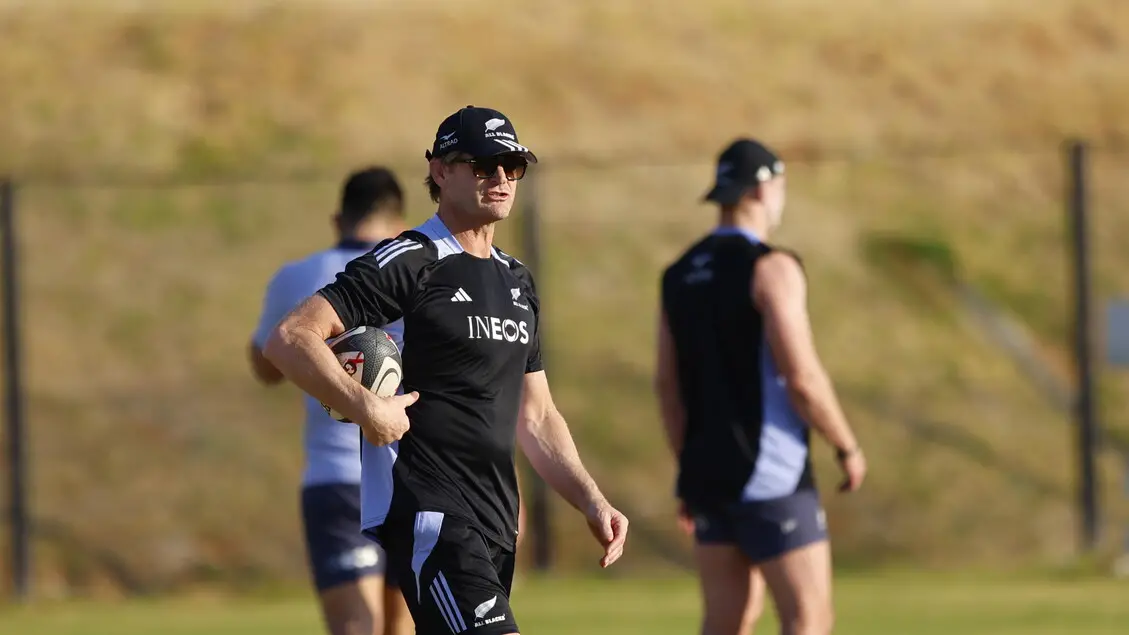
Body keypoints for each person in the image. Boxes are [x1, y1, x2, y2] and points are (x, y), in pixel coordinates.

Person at [262, 105, 629, 635]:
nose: (501, 178)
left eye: (512, 166)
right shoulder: (409, 260)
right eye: (483, 165)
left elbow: (538, 416)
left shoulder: (518, 282)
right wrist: (367, 409)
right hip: (431, 515)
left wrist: (592, 500)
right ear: (440, 171)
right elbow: (291, 337)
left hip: (496, 522)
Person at [655, 138, 867, 635]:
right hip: (772, 473)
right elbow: (803, 378)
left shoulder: (678, 274)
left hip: (708, 474)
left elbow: (667, 385)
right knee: (808, 617)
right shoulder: (772, 267)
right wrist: (847, 446)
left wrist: (689, 468)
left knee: (727, 621)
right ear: (762, 189)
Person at [249, 166, 414, 635]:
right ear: (401, 224)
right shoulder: (418, 274)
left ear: (337, 220)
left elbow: (266, 366)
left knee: (356, 628)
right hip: (411, 474)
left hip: (337, 480)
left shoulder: (297, 277)